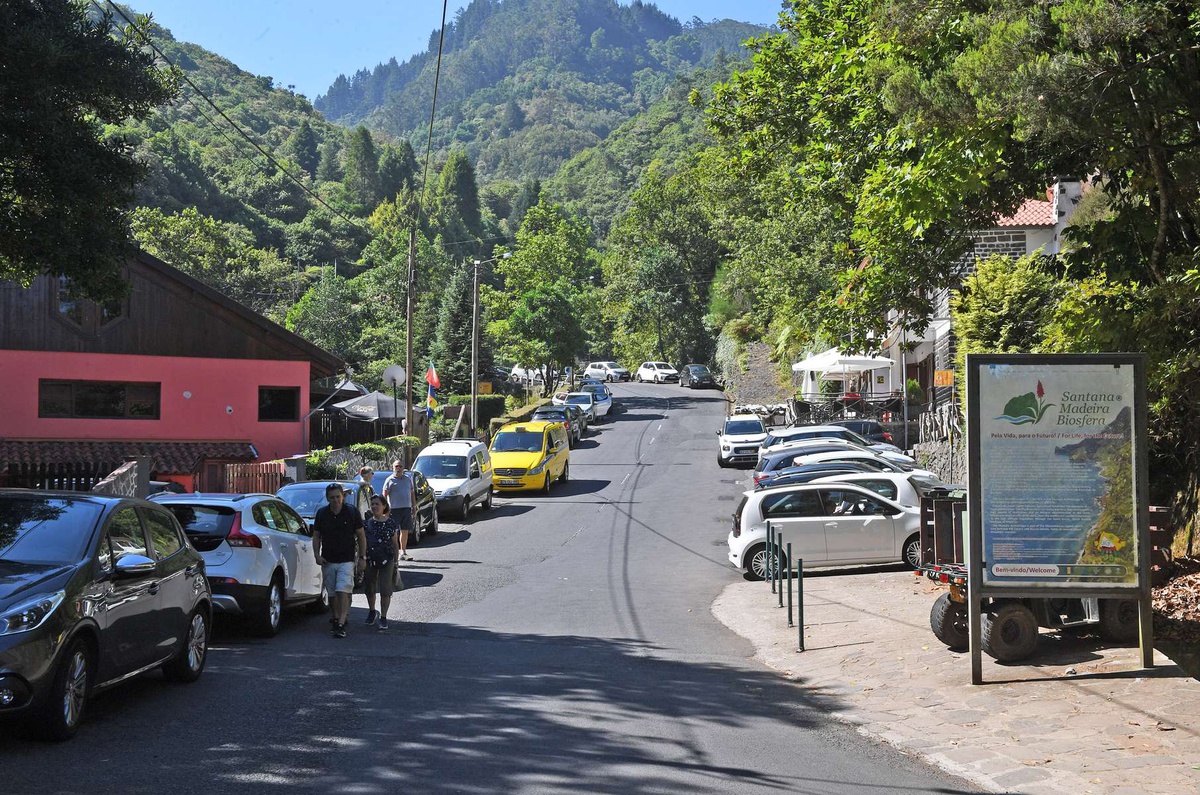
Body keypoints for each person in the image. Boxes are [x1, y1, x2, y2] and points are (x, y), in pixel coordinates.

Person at [313, 483, 366, 638]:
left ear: (343, 496)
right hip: (328, 560)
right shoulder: (322, 514)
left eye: (338, 496)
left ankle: (341, 623)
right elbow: (316, 536)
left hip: (347, 560)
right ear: (327, 498)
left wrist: (363, 557)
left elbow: (361, 536)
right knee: (332, 593)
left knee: (343, 590)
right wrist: (317, 555)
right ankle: (336, 617)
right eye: (332, 497)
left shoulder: (351, 512)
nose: (335, 500)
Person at [362, 494, 400, 631]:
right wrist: (361, 558)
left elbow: (395, 544)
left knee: (385, 589)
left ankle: (383, 617)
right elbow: (362, 541)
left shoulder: (390, 522)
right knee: (369, 587)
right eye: (372, 504)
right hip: (371, 558)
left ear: (384, 506)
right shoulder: (366, 523)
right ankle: (372, 611)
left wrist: (396, 561)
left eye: (377, 504)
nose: (374, 506)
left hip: (387, 559)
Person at [382, 458, 417, 561]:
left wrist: (414, 506)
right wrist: (384, 510)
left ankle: (403, 551)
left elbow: (412, 493)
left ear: (403, 468)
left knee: (405, 530)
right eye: (396, 466)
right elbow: (384, 495)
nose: (398, 468)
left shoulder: (407, 479)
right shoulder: (389, 480)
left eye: (400, 466)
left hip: (406, 508)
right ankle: (393, 552)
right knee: (393, 531)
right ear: (393, 468)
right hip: (393, 509)